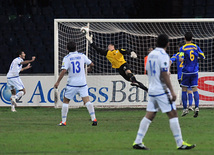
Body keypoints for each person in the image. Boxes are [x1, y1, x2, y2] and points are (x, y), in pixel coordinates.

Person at [132, 34, 196, 150]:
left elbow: (148, 69)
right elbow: (164, 74)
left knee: (150, 115)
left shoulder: (151, 54)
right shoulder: (163, 55)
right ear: (168, 44)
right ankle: (180, 143)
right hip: (161, 90)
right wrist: (172, 91)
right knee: (173, 114)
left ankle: (137, 141)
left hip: (152, 89)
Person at [54, 41, 97, 126]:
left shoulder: (67, 58)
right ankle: (94, 119)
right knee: (87, 101)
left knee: (66, 101)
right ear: (76, 47)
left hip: (72, 84)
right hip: (82, 83)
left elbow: (64, 70)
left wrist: (58, 82)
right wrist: (89, 69)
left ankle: (63, 121)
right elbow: (92, 64)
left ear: (67, 49)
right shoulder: (82, 56)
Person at [179, 32, 205, 118]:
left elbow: (180, 59)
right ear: (192, 38)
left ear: (184, 38)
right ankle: (197, 107)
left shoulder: (182, 48)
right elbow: (203, 56)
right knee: (195, 88)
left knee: (184, 89)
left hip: (186, 71)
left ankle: (185, 109)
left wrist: (185, 59)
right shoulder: (196, 47)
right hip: (194, 71)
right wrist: (196, 57)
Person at [169, 42, 194, 115]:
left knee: (185, 90)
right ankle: (190, 105)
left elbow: (170, 61)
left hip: (180, 76)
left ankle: (186, 107)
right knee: (189, 90)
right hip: (188, 74)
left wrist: (168, 70)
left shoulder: (176, 55)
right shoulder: (187, 55)